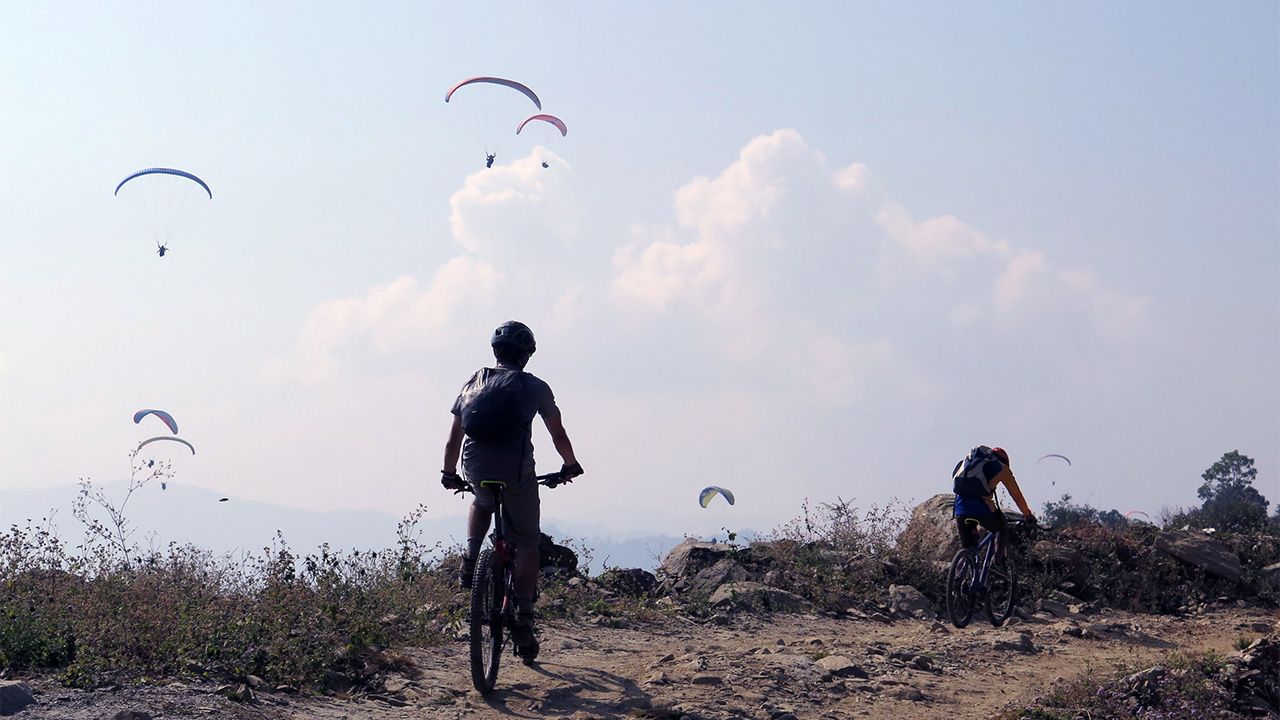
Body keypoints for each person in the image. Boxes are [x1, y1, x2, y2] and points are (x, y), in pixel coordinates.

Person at [440, 320, 582, 662]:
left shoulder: (473, 382)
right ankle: (524, 615)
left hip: (474, 466)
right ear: (527, 356)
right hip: (516, 471)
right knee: (527, 541)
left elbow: (453, 439)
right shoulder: (535, 387)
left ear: (494, 352)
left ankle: (471, 558)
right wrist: (570, 465)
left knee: (480, 499)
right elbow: (557, 433)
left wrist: (448, 473)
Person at [953, 447, 1036, 559]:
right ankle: (996, 562)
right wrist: (1027, 514)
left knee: (967, 550)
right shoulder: (1001, 467)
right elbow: (1016, 494)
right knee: (1002, 528)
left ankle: (957, 575)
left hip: (960, 510)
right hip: (983, 509)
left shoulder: (965, 464)